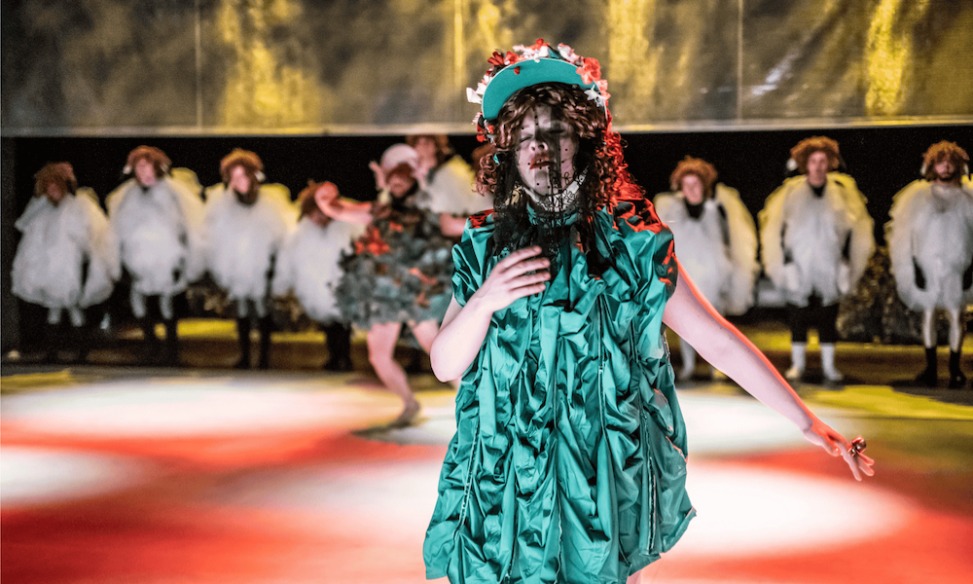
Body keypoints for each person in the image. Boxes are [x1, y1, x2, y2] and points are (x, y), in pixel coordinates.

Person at [422, 40, 873, 584]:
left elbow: (716, 339)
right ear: (508, 152)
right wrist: (485, 300)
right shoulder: (486, 246)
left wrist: (807, 421)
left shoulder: (631, 244)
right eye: (525, 136)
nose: (541, 148)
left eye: (556, 132)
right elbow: (445, 365)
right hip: (510, 474)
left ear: (584, 141)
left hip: (605, 469)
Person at [315, 145, 461, 426]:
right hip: (385, 295)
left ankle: (471, 400)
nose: (397, 184)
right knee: (379, 356)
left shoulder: (428, 214)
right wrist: (324, 201)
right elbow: (339, 210)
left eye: (403, 179)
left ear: (414, 181)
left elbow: (463, 224)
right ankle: (409, 403)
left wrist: (501, 218)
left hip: (418, 294)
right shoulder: (377, 212)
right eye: (393, 180)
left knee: (438, 350)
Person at [759, 136, 875, 383]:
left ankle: (829, 366)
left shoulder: (841, 192)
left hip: (829, 262)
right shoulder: (791, 192)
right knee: (798, 316)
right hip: (799, 264)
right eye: (813, 161)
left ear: (830, 163)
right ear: (805, 164)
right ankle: (798, 365)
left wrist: (846, 260)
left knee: (827, 315)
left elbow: (855, 227)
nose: (818, 166)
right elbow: (776, 229)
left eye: (823, 161)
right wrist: (785, 262)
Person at [654, 156, 758, 380]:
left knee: (715, 322)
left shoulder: (716, 209)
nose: (691, 189)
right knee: (686, 323)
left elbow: (732, 238)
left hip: (714, 275)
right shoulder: (672, 209)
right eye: (686, 184)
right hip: (685, 274)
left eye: (696, 184)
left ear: (704, 185)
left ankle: (717, 366)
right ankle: (689, 365)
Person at [106, 146, 206, 365]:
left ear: (156, 167)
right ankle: (150, 344)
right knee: (138, 299)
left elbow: (191, 224)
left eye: (147, 166)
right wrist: (119, 259)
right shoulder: (126, 195)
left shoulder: (173, 191)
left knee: (166, 300)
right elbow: (116, 229)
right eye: (139, 167)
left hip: (166, 256)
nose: (143, 171)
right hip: (137, 258)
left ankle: (171, 349)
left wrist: (185, 258)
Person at [886, 141, 973, 388]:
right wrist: (914, 266)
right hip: (927, 266)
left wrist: (971, 268)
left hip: (958, 267)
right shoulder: (918, 196)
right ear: (932, 166)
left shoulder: (968, 197)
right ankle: (931, 368)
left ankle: (955, 369)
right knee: (929, 315)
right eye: (941, 162)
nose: (946, 167)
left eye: (950, 162)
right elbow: (908, 233)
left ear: (958, 165)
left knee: (956, 316)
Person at [11, 162, 119, 362]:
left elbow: (89, 234)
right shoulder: (44, 208)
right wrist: (39, 202)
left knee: (70, 303)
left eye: (56, 186)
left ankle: (80, 351)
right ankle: (56, 351)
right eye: (48, 187)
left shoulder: (76, 205)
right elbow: (24, 224)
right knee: (56, 306)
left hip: (69, 264)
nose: (52, 191)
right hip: (51, 266)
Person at [204, 149, 296, 369]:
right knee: (242, 307)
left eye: (243, 176)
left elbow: (279, 235)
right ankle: (244, 355)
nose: (239, 182)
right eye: (234, 177)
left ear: (253, 176)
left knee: (262, 307)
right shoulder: (223, 205)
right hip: (238, 265)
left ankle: (264, 356)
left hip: (261, 265)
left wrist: (273, 265)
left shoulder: (269, 202)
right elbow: (215, 235)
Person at [273, 181, 364, 371]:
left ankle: (344, 357)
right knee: (328, 322)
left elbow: (362, 248)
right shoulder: (300, 232)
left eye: (322, 213)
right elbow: (289, 258)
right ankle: (333, 356)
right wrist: (284, 283)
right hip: (316, 285)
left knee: (343, 322)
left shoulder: (347, 226)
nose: (320, 217)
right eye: (315, 213)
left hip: (343, 282)